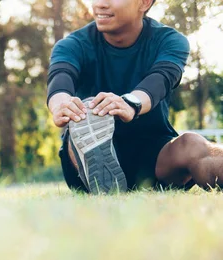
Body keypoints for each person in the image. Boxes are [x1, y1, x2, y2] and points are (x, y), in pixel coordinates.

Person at [47, 0, 222, 194]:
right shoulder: (72, 45)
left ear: (144, 2)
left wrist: (130, 103)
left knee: (192, 144)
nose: (100, 4)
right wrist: (60, 105)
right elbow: (60, 78)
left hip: (155, 154)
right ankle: (96, 173)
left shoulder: (170, 41)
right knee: (86, 115)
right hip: (83, 156)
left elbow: (161, 79)